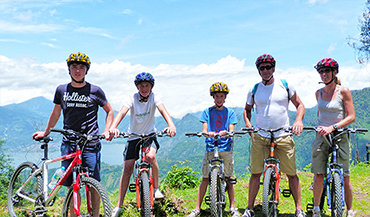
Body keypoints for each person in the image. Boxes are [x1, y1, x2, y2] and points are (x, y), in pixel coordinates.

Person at [32, 52, 114, 217]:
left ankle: (96, 215)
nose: (78, 71)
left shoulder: (95, 90)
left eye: (81, 67)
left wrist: (107, 130)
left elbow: (109, 111)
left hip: (90, 144)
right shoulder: (61, 90)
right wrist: (46, 131)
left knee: (93, 185)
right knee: (71, 185)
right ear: (69, 69)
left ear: (86, 70)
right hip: (68, 143)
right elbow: (56, 113)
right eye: (74, 67)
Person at [241, 54, 306, 217]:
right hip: (260, 135)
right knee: (255, 173)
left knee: (291, 173)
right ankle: (249, 209)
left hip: (283, 134)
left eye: (268, 67)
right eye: (262, 68)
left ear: (274, 68)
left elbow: (300, 105)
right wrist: (249, 125)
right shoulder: (254, 89)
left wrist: (298, 121)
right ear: (258, 70)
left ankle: (299, 209)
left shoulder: (285, 85)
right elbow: (247, 110)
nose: (265, 70)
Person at [108, 72, 177, 217]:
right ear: (137, 87)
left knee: (151, 156)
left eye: (147, 86)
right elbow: (121, 112)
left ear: (151, 87)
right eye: (141, 86)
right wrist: (113, 127)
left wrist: (171, 125)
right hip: (133, 136)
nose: (144, 88)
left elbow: (163, 110)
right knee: (127, 168)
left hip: (150, 134)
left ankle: (156, 189)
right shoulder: (131, 98)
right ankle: (119, 205)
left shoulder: (154, 97)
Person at [311, 58, 356, 217]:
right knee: (318, 174)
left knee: (345, 175)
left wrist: (334, 127)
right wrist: (321, 127)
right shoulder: (318, 93)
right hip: (322, 134)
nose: (323, 74)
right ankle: (316, 209)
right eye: (321, 71)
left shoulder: (343, 91)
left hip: (340, 133)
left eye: (327, 71)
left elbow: (351, 117)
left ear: (334, 72)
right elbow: (321, 115)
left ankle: (349, 210)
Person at [188, 82, 240, 217]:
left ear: (225, 97)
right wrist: (207, 133)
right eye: (216, 96)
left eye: (221, 96)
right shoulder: (207, 112)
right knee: (205, 178)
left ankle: (232, 207)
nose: (219, 99)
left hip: (225, 148)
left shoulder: (230, 112)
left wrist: (227, 132)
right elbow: (204, 129)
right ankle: (197, 208)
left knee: (228, 178)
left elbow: (232, 129)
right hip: (211, 147)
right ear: (213, 97)